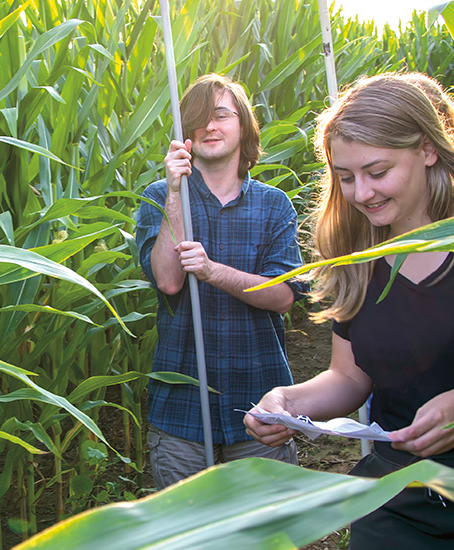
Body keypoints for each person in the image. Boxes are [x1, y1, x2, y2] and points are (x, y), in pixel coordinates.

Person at [243, 73, 454, 548]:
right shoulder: (356, 247)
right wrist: (289, 403)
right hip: (399, 494)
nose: (361, 193)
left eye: (377, 172)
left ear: (428, 149)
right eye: (345, 177)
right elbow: (349, 378)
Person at [133, 73, 306, 488]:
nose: (211, 126)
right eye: (200, 118)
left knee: (269, 534)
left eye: (222, 115)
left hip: (260, 403)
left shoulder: (273, 205)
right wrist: (176, 191)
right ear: (187, 134)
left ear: (242, 126)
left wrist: (212, 271)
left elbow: (283, 297)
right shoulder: (159, 196)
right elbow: (169, 282)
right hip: (182, 411)